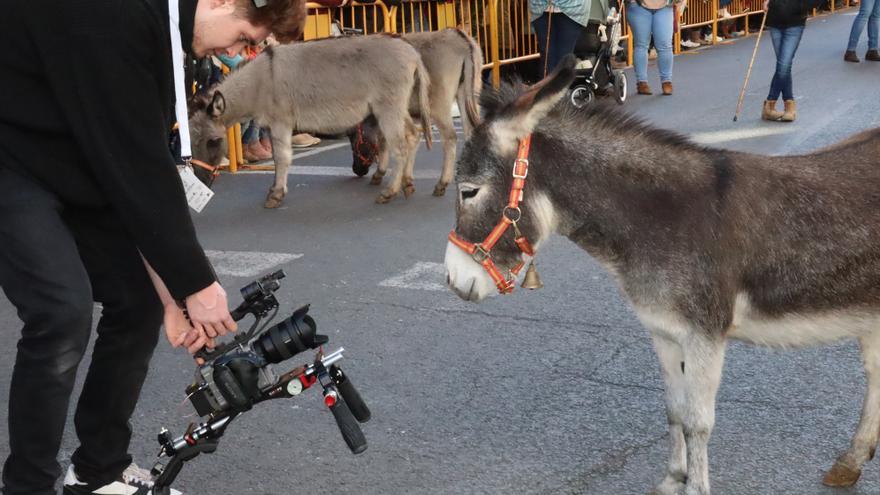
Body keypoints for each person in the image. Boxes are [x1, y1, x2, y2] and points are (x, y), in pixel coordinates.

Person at [0, 0, 304, 494]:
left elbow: (139, 174)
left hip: (68, 160)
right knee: (61, 311)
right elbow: (136, 169)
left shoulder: (160, 30)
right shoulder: (116, 17)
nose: (239, 52)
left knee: (138, 300)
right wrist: (199, 286)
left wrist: (172, 298)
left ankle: (98, 470)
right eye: (245, 37)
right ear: (224, 1)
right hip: (10, 158)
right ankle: (27, 486)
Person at [761, 0, 818, 121]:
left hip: (795, 22)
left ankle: (773, 104)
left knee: (783, 64)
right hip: (774, 20)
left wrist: (803, 6)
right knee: (783, 65)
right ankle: (783, 106)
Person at [626, 0, 684, 95]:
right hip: (638, 5)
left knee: (664, 45)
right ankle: (642, 82)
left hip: (665, 6)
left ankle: (666, 81)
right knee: (641, 45)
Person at [529, 0, 591, 74]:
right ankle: (547, 84)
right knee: (547, 57)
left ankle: (558, 84)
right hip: (540, 6)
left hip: (573, 8)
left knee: (564, 59)